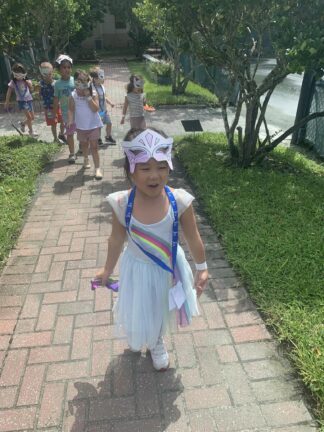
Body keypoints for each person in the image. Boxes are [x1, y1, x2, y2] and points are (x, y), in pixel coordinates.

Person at [95, 128, 208, 371]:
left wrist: (202, 268)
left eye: (161, 167)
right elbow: (115, 240)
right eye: (145, 168)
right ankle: (137, 333)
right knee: (137, 304)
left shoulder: (179, 201)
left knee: (158, 308)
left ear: (169, 166)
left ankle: (156, 340)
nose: (154, 175)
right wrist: (106, 270)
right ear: (131, 171)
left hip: (167, 269)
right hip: (136, 268)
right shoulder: (121, 203)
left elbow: (192, 236)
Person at [67, 69, 103, 180]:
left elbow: (95, 109)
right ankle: (86, 159)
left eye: (84, 81)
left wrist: (88, 97)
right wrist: (70, 121)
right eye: (79, 81)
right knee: (84, 145)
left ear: (88, 82)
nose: (81, 84)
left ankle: (97, 168)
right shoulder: (73, 95)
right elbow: (71, 110)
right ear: (75, 82)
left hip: (93, 125)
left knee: (94, 147)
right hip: (81, 126)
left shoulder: (93, 93)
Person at [53, 54, 77, 164]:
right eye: (64, 67)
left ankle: (82, 148)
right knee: (70, 133)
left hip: (78, 112)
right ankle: (72, 153)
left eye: (68, 67)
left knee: (82, 131)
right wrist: (55, 114)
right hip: (67, 114)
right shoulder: (57, 84)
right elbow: (55, 100)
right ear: (59, 70)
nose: (67, 69)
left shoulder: (75, 80)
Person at [4, 63, 38, 137]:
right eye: (16, 75)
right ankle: (31, 131)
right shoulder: (13, 82)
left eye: (20, 75)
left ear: (24, 74)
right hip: (21, 101)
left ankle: (23, 124)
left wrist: (30, 85)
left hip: (29, 100)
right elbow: (9, 91)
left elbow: (31, 90)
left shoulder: (27, 81)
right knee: (29, 117)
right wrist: (7, 101)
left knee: (32, 117)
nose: (18, 77)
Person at [38, 61, 65, 143]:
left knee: (63, 121)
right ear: (42, 74)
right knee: (53, 123)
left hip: (58, 106)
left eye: (49, 74)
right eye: (45, 74)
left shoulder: (56, 83)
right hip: (48, 108)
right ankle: (55, 138)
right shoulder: (41, 84)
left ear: (52, 72)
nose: (47, 76)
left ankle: (62, 134)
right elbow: (39, 94)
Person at [89, 67, 116, 146]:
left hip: (104, 110)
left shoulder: (102, 87)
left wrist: (110, 103)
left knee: (109, 123)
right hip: (97, 111)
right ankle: (98, 139)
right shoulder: (91, 87)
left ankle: (108, 137)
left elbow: (104, 97)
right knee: (99, 126)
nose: (103, 80)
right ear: (95, 78)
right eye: (101, 78)